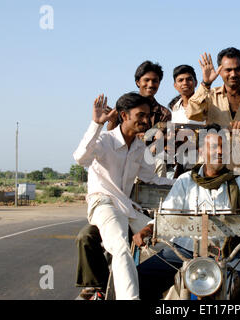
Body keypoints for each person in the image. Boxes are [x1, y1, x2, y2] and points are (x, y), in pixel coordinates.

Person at [133, 124, 240, 300]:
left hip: (225, 253)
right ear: (201, 151)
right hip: (183, 250)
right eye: (214, 146)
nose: (220, 152)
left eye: (225, 147)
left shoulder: (238, 182)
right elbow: (167, 212)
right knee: (139, 278)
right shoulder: (185, 181)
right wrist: (147, 230)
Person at [73, 92, 174, 300]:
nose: (146, 121)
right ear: (124, 115)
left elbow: (152, 178)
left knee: (171, 240)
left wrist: (186, 183)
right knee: (120, 247)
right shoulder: (104, 140)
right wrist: (96, 124)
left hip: (128, 208)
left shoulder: (138, 147)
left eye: (148, 116)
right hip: (104, 204)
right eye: (141, 115)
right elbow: (80, 158)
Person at [186, 48, 240, 189]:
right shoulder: (210, 96)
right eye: (228, 70)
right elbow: (191, 113)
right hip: (211, 174)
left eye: (237, 69)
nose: (233, 74)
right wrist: (206, 83)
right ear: (220, 70)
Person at [107, 61, 171, 131]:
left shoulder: (164, 114)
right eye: (146, 80)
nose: (150, 84)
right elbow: (111, 134)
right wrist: (112, 120)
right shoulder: (125, 105)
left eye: (155, 81)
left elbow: (157, 139)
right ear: (138, 82)